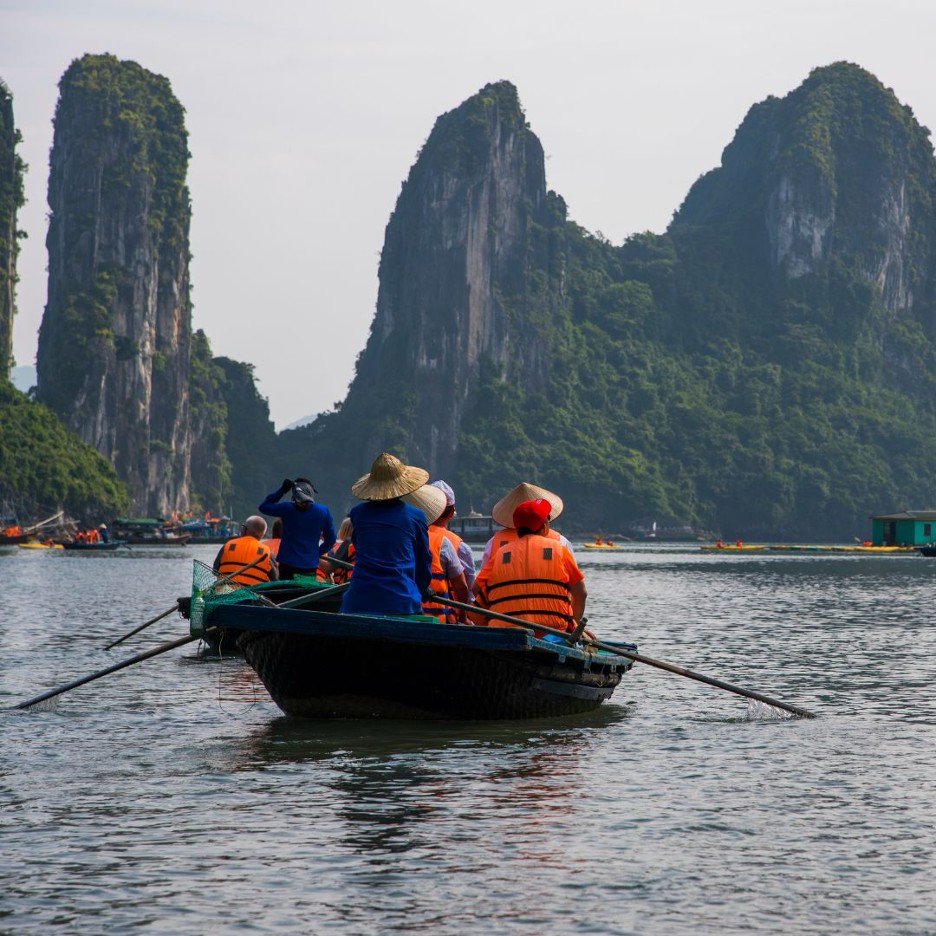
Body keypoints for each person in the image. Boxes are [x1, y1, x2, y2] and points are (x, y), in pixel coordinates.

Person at [474, 498, 586, 635]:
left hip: (505, 632)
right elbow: (581, 593)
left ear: (517, 528)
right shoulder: (560, 549)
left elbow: (474, 589)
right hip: (552, 632)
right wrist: (574, 626)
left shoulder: (500, 554)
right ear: (544, 525)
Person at [339, 452, 432, 616]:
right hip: (401, 600)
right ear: (402, 488)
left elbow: (360, 548)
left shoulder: (357, 514)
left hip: (358, 599)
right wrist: (422, 591)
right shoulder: (416, 516)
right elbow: (423, 560)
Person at [472, 481, 576, 597]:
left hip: (502, 610)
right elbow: (577, 590)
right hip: (552, 611)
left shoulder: (494, 543)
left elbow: (478, 587)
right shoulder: (561, 542)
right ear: (544, 519)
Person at [404, 484, 469, 623]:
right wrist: (463, 617)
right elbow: (462, 586)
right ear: (451, 513)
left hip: (404, 613)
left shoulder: (403, 535)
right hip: (436, 619)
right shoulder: (445, 543)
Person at [259, 476, 336, 579]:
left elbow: (264, 507)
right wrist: (317, 552)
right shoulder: (323, 511)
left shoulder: (287, 508)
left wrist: (282, 490)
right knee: (306, 593)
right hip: (309, 564)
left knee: (287, 593)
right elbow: (331, 539)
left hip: (287, 564)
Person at [428, 479, 477, 594]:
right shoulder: (462, 548)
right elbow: (470, 592)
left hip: (415, 609)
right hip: (449, 611)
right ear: (451, 513)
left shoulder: (410, 537)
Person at [212, 515, 278, 585]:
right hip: (253, 594)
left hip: (223, 594)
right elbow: (275, 580)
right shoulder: (267, 552)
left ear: (244, 530)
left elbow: (214, 571)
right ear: (262, 534)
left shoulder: (228, 545)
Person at [319, 517, 355, 584]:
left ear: (345, 530)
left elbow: (329, 568)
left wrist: (313, 553)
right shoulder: (362, 544)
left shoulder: (348, 543)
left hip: (345, 587)